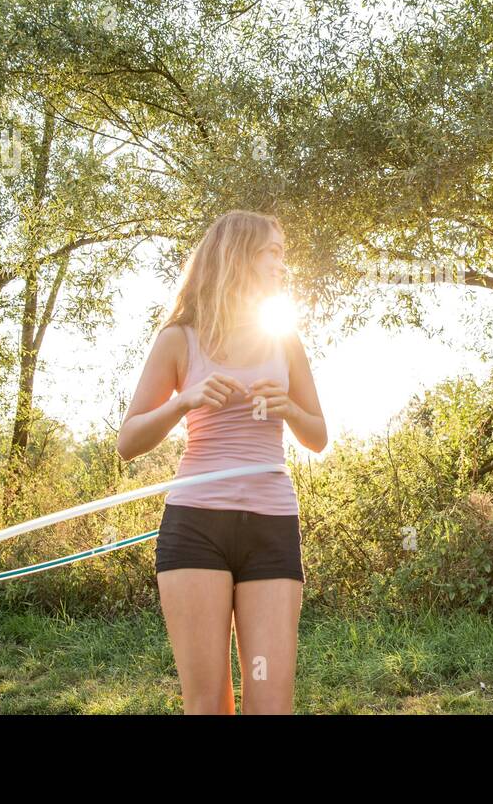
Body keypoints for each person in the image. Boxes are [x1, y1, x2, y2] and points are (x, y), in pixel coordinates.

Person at [116, 210, 327, 714]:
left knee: (271, 706)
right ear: (238, 257)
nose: (281, 263)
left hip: (271, 523)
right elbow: (127, 442)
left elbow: (317, 436)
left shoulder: (284, 339)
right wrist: (183, 401)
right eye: (272, 252)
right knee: (208, 705)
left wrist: (290, 409)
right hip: (196, 524)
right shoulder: (179, 339)